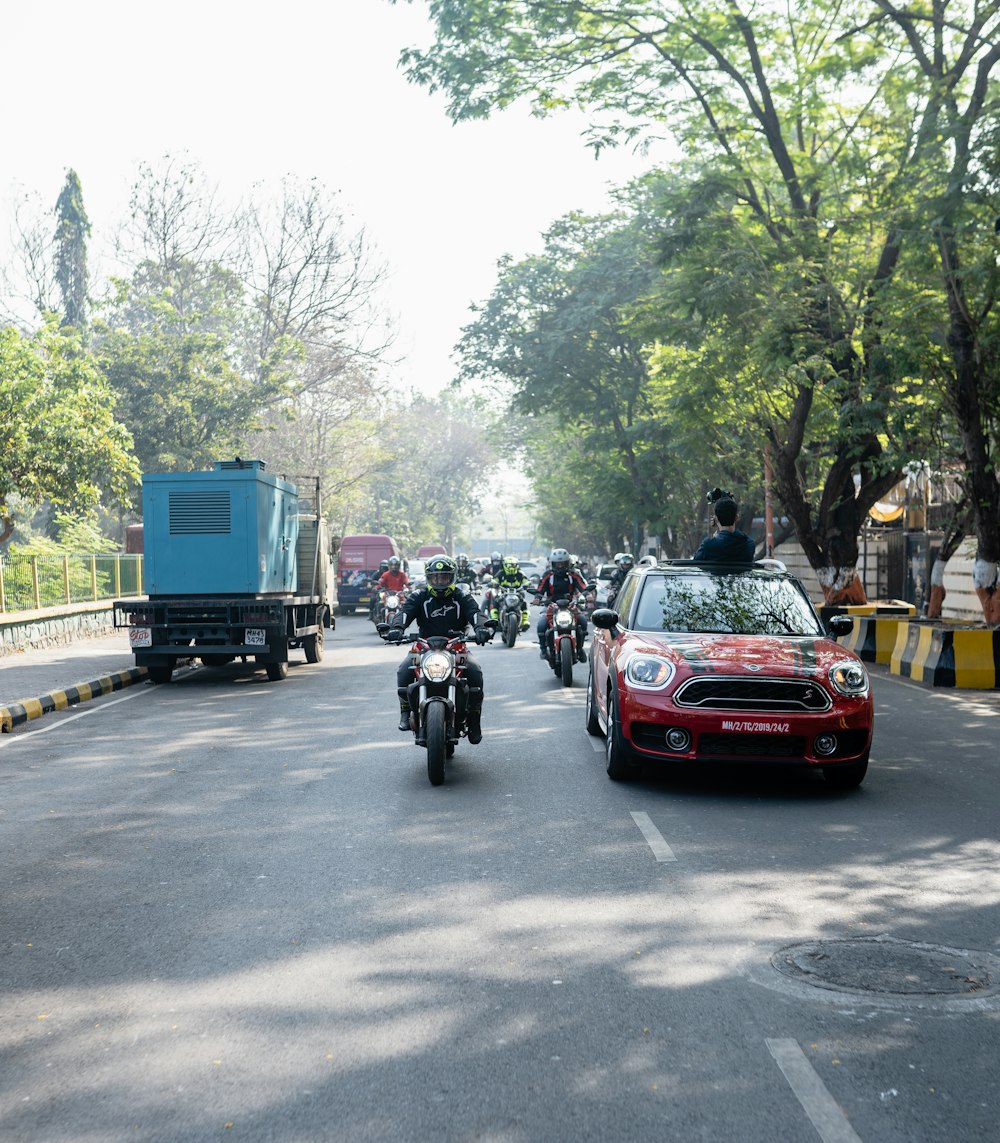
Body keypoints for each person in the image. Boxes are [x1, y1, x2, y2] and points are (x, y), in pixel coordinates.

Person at [386, 555, 491, 743]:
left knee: (475, 671)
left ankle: (474, 720)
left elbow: (476, 613)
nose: (439, 582)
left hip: (456, 645)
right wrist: (396, 629)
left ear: (452, 577)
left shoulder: (461, 596)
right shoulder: (419, 596)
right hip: (424, 645)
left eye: (443, 577)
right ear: (429, 578)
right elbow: (404, 613)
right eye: (435, 577)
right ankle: (405, 711)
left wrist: (482, 628)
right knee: (403, 670)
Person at [534, 547, 590, 661]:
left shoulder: (573, 575)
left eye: (563, 564)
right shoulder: (547, 575)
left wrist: (587, 594)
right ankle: (543, 650)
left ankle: (580, 649)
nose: (560, 567)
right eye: (557, 564)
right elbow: (540, 589)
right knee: (541, 624)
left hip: (570, 605)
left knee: (583, 622)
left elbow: (582, 585)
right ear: (553, 564)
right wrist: (537, 598)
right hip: (551, 605)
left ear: (567, 563)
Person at [692, 494, 755, 563]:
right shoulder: (749, 544)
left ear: (716, 519)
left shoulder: (708, 545)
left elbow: (695, 564)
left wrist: (716, 536)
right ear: (737, 517)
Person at [487, 556, 531, 631]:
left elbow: (525, 581)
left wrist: (527, 584)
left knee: (524, 604)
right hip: (504, 593)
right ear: (505, 565)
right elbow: (495, 580)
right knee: (496, 602)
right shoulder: (501, 573)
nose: (511, 567)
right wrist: (493, 583)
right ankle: (495, 619)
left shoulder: (520, 574)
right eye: (509, 565)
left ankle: (524, 621)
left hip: (517, 593)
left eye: (513, 565)